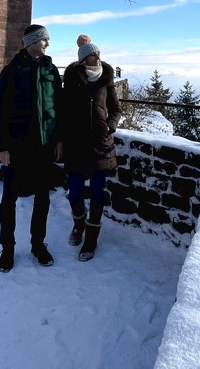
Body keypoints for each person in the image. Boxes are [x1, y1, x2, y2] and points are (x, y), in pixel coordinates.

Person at [0, 24, 63, 272]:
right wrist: (1, 147)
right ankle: (7, 249)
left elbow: (59, 108)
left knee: (42, 198)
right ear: (32, 41)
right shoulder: (11, 71)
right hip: (17, 146)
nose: (47, 44)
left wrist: (59, 140)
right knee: (8, 200)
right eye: (45, 40)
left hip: (44, 146)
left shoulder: (50, 69)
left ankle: (38, 244)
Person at [62, 41, 121, 261]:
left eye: (98, 53)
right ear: (83, 58)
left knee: (97, 193)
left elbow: (115, 108)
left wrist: (110, 126)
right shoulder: (72, 77)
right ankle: (79, 224)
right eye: (93, 54)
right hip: (76, 144)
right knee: (75, 191)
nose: (97, 57)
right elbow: (63, 109)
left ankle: (91, 238)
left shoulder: (106, 78)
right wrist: (60, 139)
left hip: (100, 145)